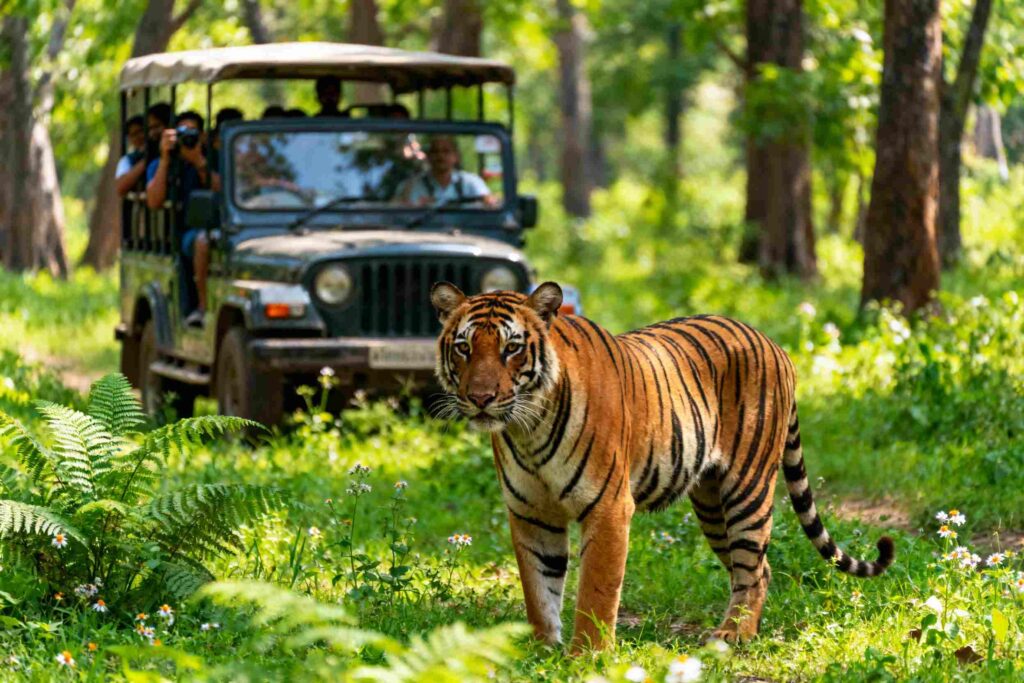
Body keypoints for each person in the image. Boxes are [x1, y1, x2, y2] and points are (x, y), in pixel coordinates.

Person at [145, 111, 220, 329]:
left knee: (208, 239)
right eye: (182, 133)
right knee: (201, 241)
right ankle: (202, 308)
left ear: (203, 136)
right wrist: (166, 159)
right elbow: (154, 201)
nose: (187, 138)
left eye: (192, 133)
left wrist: (198, 161)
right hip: (187, 232)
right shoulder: (162, 164)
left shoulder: (213, 159)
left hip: (220, 227)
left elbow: (223, 190)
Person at [395, 136, 495, 207]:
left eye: (446, 151)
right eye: (435, 151)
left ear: (456, 156)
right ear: (428, 156)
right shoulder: (410, 186)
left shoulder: (472, 183)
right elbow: (396, 212)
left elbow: (489, 205)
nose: (440, 156)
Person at [114, 116, 147, 197]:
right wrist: (145, 162)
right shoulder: (127, 160)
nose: (139, 136)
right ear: (129, 138)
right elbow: (120, 188)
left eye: (141, 131)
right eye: (134, 134)